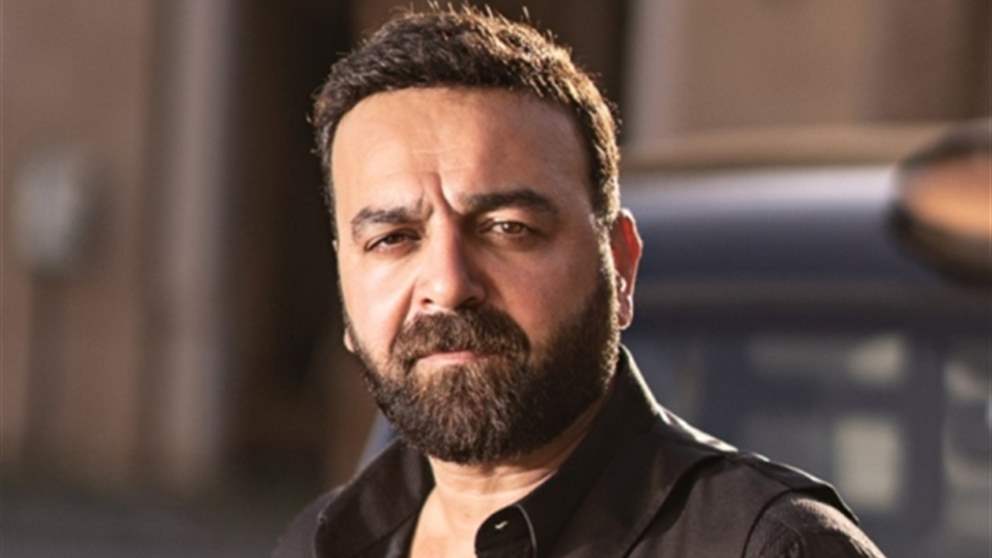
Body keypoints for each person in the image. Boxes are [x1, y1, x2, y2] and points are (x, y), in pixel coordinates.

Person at [275, 6, 885, 557]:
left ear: (620, 265)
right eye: (393, 239)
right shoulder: (323, 542)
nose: (449, 284)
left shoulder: (771, 547)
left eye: (508, 228)